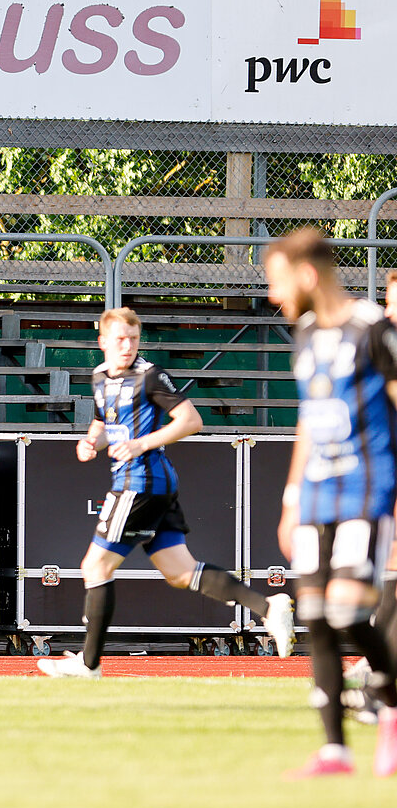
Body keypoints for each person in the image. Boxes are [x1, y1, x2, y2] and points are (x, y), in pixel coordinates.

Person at [37, 306, 294, 679]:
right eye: (120, 339)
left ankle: (88, 664)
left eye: (133, 339)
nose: (127, 346)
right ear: (103, 342)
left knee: (95, 566)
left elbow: (191, 421)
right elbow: (102, 422)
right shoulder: (99, 377)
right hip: (151, 484)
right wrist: (91, 442)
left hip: (141, 482)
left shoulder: (150, 376)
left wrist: (141, 444)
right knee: (180, 572)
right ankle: (268, 607)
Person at [265, 229, 397, 777]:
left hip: (367, 488)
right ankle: (334, 751)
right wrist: (292, 497)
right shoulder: (304, 334)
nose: (272, 294)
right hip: (317, 491)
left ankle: (390, 704)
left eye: (275, 280)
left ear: (307, 274)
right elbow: (307, 420)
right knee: (316, 614)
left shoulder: (372, 329)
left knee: (345, 608)